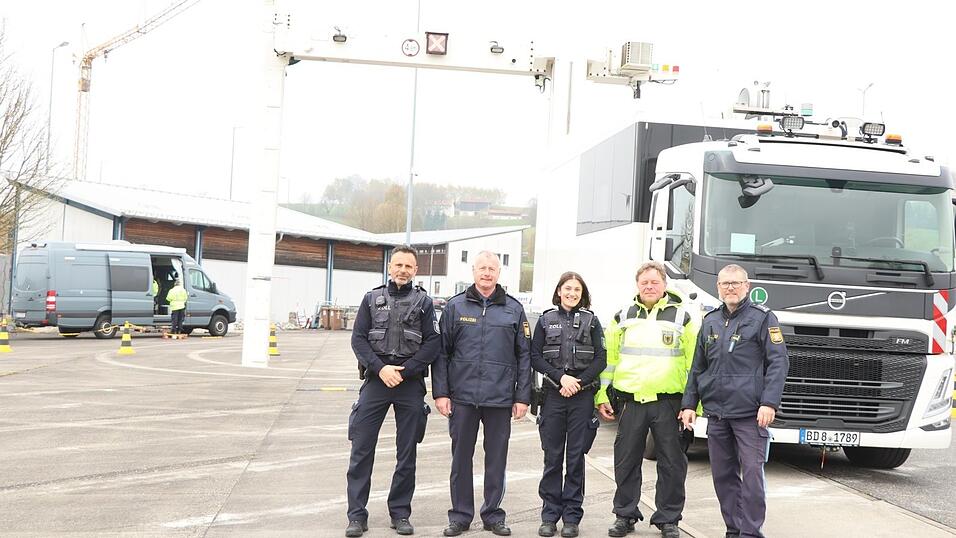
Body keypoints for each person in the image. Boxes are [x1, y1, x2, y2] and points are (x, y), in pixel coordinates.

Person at [679, 264, 789, 538]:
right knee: (723, 476)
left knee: (751, 475)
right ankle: (734, 529)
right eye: (725, 283)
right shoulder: (710, 320)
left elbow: (778, 362)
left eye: (736, 283)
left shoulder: (763, 318)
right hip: (717, 414)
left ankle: (750, 533)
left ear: (746, 286)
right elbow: (698, 366)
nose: (730, 288)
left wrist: (769, 403)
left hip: (750, 414)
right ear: (718, 287)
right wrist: (689, 404)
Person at [432, 251, 532, 537]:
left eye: (492, 269)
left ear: (499, 273)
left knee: (496, 460)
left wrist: (522, 397)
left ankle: (493, 515)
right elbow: (441, 353)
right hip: (462, 397)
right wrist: (441, 393)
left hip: (500, 398)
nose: (487, 273)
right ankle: (460, 516)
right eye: (482, 268)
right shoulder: (455, 307)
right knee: (460, 459)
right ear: (473, 271)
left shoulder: (513, 309)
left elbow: (524, 356)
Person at [595, 261, 697, 538]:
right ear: (637, 285)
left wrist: (692, 404)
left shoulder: (683, 318)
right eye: (644, 283)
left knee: (672, 464)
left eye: (654, 282)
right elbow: (609, 360)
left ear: (664, 284)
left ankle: (669, 519)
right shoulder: (622, 316)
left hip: (669, 403)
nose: (649, 287)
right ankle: (624, 515)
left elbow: (694, 365)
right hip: (631, 402)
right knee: (626, 461)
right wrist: (601, 395)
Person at [345, 246, 440, 537]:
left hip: (409, 383)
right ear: (389, 267)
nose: (403, 270)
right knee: (361, 449)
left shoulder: (424, 303)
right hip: (377, 380)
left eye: (408, 266)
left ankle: (400, 513)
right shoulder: (371, 299)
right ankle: (356, 516)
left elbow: (433, 343)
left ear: (415, 271)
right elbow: (358, 339)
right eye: (398, 265)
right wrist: (380, 368)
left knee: (406, 452)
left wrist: (406, 370)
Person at [531, 272, 607, 538]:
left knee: (575, 459)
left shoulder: (592, 321)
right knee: (552, 458)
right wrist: (560, 378)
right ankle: (549, 516)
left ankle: (572, 518)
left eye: (577, 290)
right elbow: (535, 356)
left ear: (582, 294)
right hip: (553, 395)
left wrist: (579, 382)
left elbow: (601, 359)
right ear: (559, 291)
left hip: (582, 397)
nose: (572, 293)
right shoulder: (545, 320)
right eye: (568, 288)